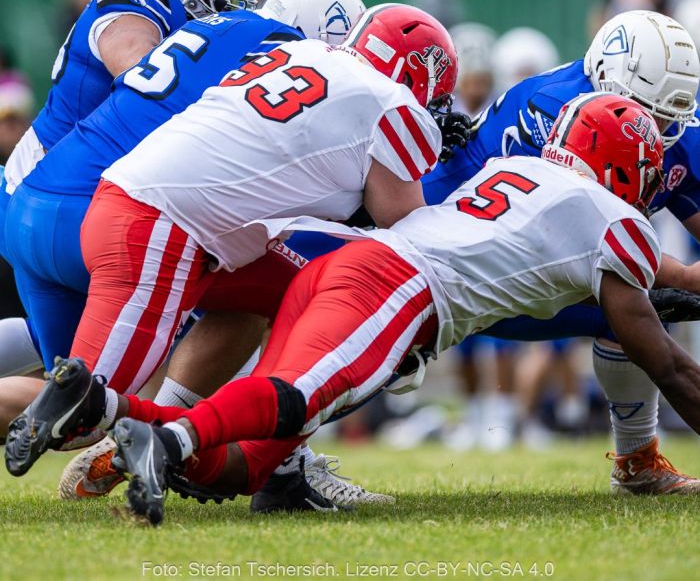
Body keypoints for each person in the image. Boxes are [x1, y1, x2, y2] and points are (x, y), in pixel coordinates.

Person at [21, 92, 697, 527]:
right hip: (398, 289)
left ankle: (107, 409)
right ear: (622, 167)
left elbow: (676, 276)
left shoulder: (514, 175)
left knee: (249, 464)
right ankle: (166, 439)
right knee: (293, 399)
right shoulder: (612, 217)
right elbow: (665, 362)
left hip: (349, 268)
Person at [4, 3, 462, 484]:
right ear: (419, 70)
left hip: (134, 206)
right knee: (80, 407)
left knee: (306, 297)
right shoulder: (391, 101)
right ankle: (159, 438)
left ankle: (259, 458)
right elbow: (410, 240)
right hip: (159, 229)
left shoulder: (302, 54)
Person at [422, 8, 700, 494]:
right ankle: (281, 458)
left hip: (525, 268)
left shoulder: (676, 124)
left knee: (636, 309)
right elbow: (589, 244)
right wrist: (681, 277)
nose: (657, 128)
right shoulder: (554, 111)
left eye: (666, 116)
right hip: (442, 264)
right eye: (647, 112)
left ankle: (637, 461)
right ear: (606, 84)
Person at [0, 0, 258, 371]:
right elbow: (140, 76)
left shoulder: (191, 24)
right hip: (55, 191)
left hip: (70, 196)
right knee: (228, 289)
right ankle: (191, 432)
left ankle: (171, 431)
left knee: (63, 368)